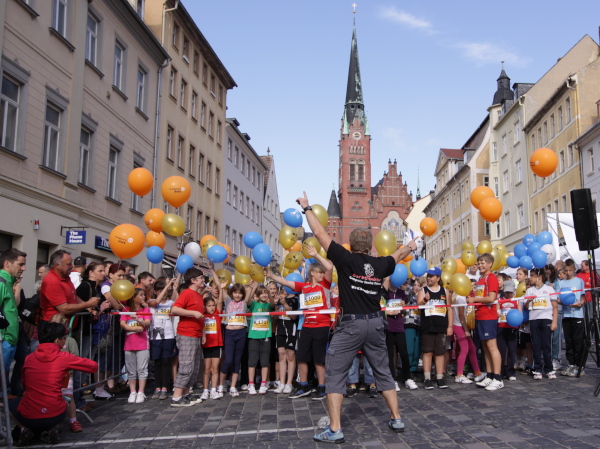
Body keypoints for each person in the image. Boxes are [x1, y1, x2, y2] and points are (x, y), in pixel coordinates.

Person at [296, 193, 418, 442]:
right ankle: (396, 418)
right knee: (383, 371)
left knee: (335, 374)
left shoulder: (345, 258)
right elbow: (396, 256)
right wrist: (410, 247)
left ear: (351, 246)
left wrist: (307, 208)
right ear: (370, 246)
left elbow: (319, 233)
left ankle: (335, 429)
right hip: (375, 324)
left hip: (351, 325)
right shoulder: (380, 264)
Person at [9, 322, 97, 446]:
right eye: (64, 338)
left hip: (31, 414)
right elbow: (93, 366)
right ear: (57, 340)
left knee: (11, 404)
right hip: (55, 413)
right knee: (65, 398)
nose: (65, 341)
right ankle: (50, 427)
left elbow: (25, 384)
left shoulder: (29, 358)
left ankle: (24, 428)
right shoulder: (64, 357)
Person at [267, 244, 333, 400]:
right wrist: (271, 275)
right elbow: (286, 283)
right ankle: (303, 385)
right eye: (320, 272)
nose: (322, 274)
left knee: (319, 358)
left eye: (322, 273)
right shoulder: (305, 287)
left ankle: (322, 387)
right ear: (312, 273)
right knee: (302, 357)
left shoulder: (325, 285)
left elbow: (330, 267)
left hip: (321, 326)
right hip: (306, 327)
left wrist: (316, 254)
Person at [467, 253, 503, 391]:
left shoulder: (491, 278)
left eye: (483, 263)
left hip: (489, 316)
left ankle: (498, 378)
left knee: (492, 346)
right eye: (479, 263)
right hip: (480, 316)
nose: (480, 265)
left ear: (490, 264)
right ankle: (489, 375)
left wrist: (474, 300)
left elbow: (491, 298)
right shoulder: (481, 279)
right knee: (485, 347)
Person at [170, 268, 205, 407]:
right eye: (201, 277)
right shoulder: (187, 293)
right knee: (186, 366)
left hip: (196, 334)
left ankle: (185, 393)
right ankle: (176, 397)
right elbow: (175, 309)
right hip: (186, 334)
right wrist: (193, 313)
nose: (203, 280)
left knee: (194, 367)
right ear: (193, 280)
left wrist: (203, 333)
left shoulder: (198, 295)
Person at [40, 250, 100, 323]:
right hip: (54, 326)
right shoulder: (52, 281)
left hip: (67, 325)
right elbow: (63, 309)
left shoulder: (65, 277)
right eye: (68, 264)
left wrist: (88, 307)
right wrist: (88, 304)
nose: (72, 266)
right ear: (57, 265)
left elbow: (73, 295)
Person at [417, 267, 453, 390]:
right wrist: (425, 299)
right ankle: (427, 378)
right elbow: (418, 305)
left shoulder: (445, 291)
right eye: (428, 276)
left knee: (440, 352)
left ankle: (439, 377)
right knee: (427, 352)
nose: (429, 278)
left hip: (441, 326)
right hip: (427, 325)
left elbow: (449, 309)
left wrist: (450, 326)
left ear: (438, 278)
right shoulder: (423, 290)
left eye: (431, 276)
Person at [219, 283, 251, 397]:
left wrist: (252, 286)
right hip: (229, 333)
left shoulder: (244, 302)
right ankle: (221, 385)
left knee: (237, 361)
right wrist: (221, 287)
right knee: (228, 360)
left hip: (241, 333)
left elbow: (250, 290)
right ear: (231, 293)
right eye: (235, 292)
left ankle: (233, 386)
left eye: (240, 293)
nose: (237, 295)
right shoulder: (228, 301)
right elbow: (221, 292)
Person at [148, 278, 178, 400]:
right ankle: (157, 387)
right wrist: (166, 286)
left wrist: (173, 288)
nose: (163, 293)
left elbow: (178, 301)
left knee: (166, 361)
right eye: (159, 291)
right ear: (155, 292)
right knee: (157, 362)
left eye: (164, 290)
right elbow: (156, 302)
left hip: (168, 335)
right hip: (155, 335)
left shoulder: (170, 303)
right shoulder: (151, 301)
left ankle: (165, 387)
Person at [0, 248, 27, 386]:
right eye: (20, 264)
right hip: (4, 340)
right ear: (7, 263)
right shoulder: (1, 282)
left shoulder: (8, 282)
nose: (24, 268)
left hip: (9, 339)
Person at [384, 278, 416, 390]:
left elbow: (403, 310)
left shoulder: (401, 292)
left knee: (404, 352)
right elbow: (380, 306)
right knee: (390, 354)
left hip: (399, 325)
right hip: (388, 325)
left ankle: (407, 377)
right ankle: (392, 379)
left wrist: (402, 305)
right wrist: (387, 311)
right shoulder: (385, 292)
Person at [525, 268, 558, 379]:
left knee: (546, 345)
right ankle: (537, 368)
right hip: (534, 319)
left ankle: (549, 369)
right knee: (536, 345)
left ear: (539, 277)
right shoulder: (530, 290)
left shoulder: (549, 289)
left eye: (532, 275)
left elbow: (555, 306)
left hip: (546, 318)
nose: (530, 278)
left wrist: (554, 321)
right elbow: (526, 307)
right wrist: (528, 301)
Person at [120, 288, 151, 403]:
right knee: (131, 370)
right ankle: (132, 392)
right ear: (133, 297)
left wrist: (138, 320)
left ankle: (141, 392)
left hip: (142, 344)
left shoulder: (146, 310)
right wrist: (134, 329)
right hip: (129, 344)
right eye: (141, 295)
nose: (143, 297)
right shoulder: (126, 310)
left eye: (144, 295)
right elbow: (123, 324)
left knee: (142, 369)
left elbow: (147, 323)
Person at [558, 259, 586, 377]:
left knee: (578, 341)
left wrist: (580, 303)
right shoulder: (561, 283)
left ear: (574, 270)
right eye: (566, 271)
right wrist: (563, 302)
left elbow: (583, 296)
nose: (568, 273)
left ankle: (580, 366)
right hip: (567, 315)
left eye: (570, 270)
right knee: (569, 341)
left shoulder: (579, 281)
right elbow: (558, 298)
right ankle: (571, 364)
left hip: (578, 315)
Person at [245, 282, 273, 395]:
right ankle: (251, 384)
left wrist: (269, 292)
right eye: (261, 293)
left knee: (265, 362)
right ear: (257, 295)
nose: (264, 295)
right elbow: (247, 301)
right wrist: (253, 288)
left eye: (265, 293)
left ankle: (263, 384)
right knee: (252, 362)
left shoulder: (269, 305)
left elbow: (272, 304)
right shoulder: (254, 304)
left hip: (266, 337)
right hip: (253, 337)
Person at [452, 290, 482, 384]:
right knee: (464, 349)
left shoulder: (459, 297)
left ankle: (477, 372)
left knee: (472, 348)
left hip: (460, 325)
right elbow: (461, 315)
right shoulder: (460, 298)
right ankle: (459, 375)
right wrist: (466, 330)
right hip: (459, 325)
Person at [273, 286, 298, 394]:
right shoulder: (278, 301)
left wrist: (285, 304)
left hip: (291, 329)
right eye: (282, 290)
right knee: (281, 355)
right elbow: (275, 319)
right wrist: (276, 309)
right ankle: (282, 383)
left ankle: (289, 383)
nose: (283, 292)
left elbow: (294, 317)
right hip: (280, 330)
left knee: (290, 355)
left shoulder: (295, 299)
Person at [200, 290, 224, 400]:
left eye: (213, 305)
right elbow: (198, 301)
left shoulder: (217, 314)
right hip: (206, 346)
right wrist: (204, 290)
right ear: (204, 307)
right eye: (209, 306)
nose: (212, 308)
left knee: (215, 369)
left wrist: (221, 288)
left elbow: (220, 301)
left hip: (217, 345)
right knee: (206, 369)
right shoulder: (202, 316)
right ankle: (205, 390)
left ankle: (214, 390)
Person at [497, 281, 520, 381]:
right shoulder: (500, 300)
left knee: (512, 350)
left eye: (510, 292)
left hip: (512, 327)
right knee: (501, 350)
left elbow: (520, 313)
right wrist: (499, 314)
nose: (509, 294)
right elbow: (497, 311)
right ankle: (501, 370)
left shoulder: (517, 301)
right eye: (507, 292)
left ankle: (510, 371)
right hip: (502, 327)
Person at [404, 279, 423, 380]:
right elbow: (407, 291)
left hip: (420, 325)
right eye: (414, 285)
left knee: (417, 350)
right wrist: (412, 280)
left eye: (418, 285)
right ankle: (407, 370)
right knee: (409, 349)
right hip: (409, 323)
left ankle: (413, 368)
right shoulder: (410, 295)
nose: (416, 287)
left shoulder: (423, 297)